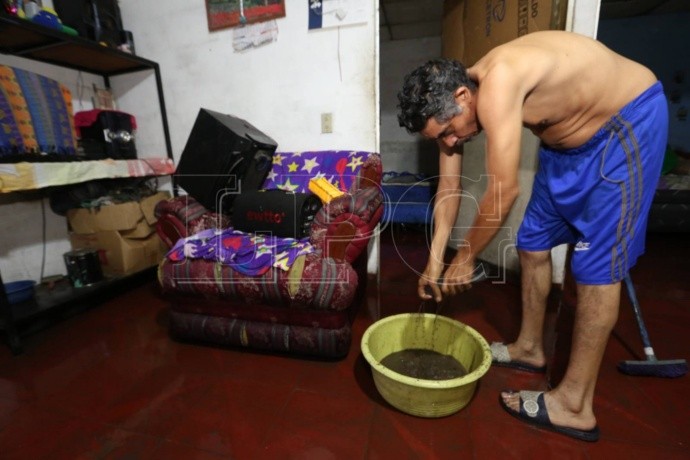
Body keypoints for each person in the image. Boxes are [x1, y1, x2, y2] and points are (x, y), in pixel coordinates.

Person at [396, 30, 668, 442]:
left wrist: (465, 258)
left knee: (594, 267)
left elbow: (503, 191)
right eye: (440, 139)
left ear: (463, 97)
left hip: (623, 129)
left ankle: (574, 405)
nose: (451, 142)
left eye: (449, 131)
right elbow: (448, 190)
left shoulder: (500, 81)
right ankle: (529, 348)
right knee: (532, 242)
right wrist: (435, 260)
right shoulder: (452, 107)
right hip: (562, 150)